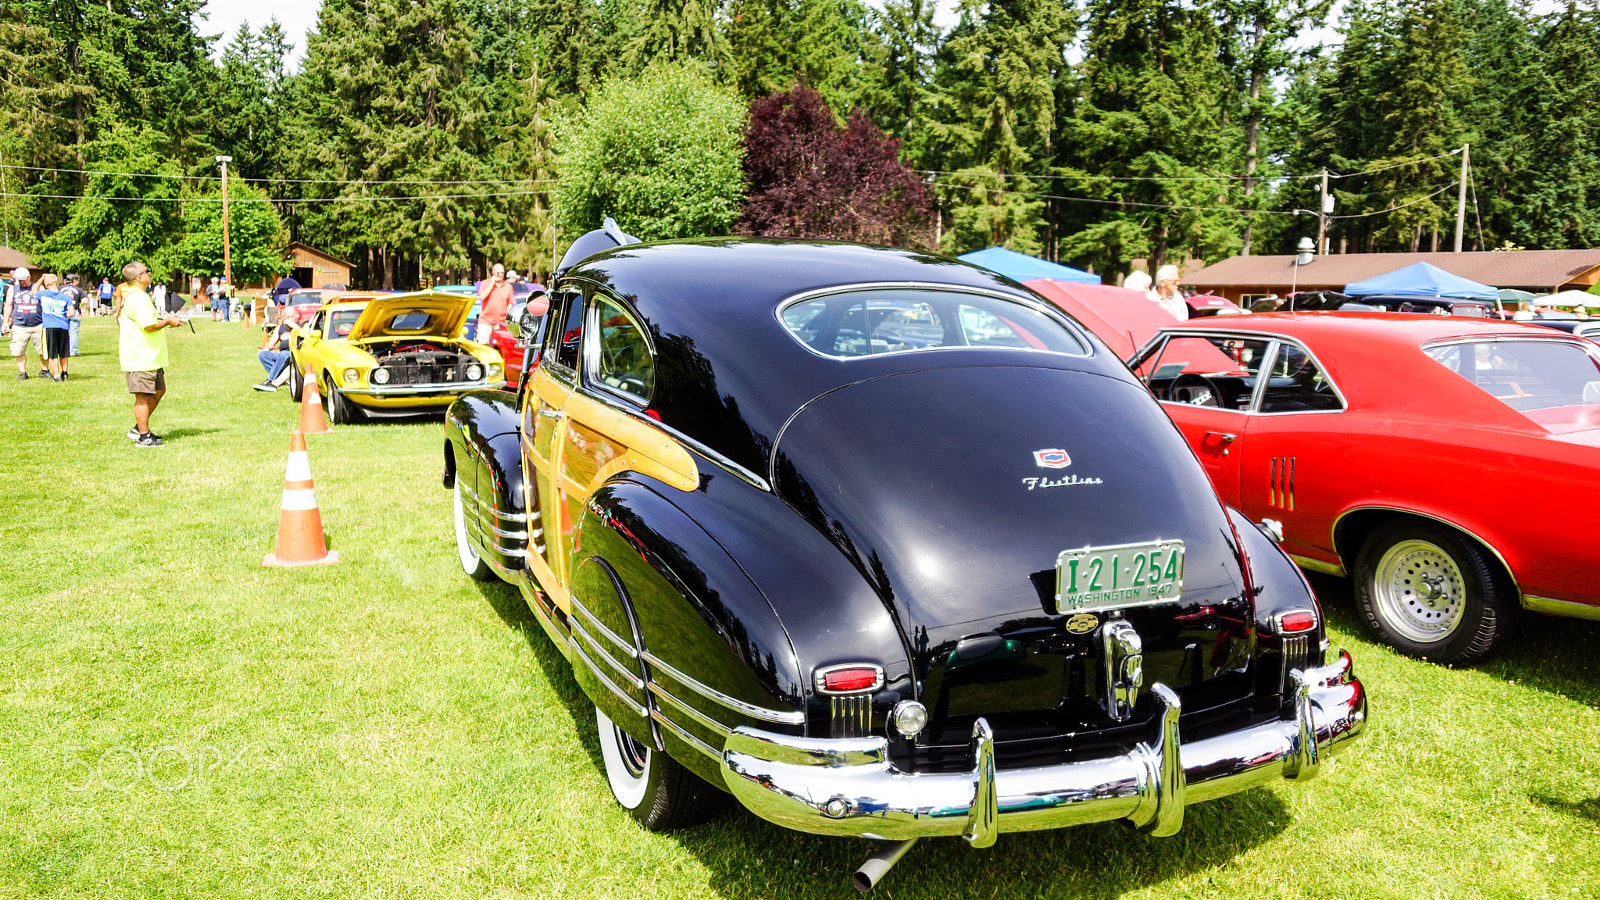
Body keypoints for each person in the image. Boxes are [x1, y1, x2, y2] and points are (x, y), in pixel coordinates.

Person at [118, 261, 184, 447]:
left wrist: (164, 320)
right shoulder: (138, 298)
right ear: (140, 277)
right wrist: (168, 322)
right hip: (140, 357)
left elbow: (147, 320)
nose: (149, 274)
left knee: (159, 391)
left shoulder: (139, 296)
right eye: (146, 271)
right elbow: (147, 326)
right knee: (142, 397)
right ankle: (144, 437)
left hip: (149, 356)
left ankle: (139, 428)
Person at [4, 267, 46, 380]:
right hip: (19, 325)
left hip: (38, 323)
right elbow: (8, 305)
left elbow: (45, 304)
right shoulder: (13, 289)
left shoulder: (38, 287)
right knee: (19, 350)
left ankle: (44, 370)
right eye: (20, 280)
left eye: (24, 279)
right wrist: (5, 322)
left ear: (29, 277)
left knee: (43, 350)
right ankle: (22, 372)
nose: (22, 282)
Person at [37, 273, 74, 381]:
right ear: (57, 283)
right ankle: (65, 373)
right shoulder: (64, 297)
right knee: (63, 352)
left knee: (52, 353)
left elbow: (33, 291)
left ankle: (56, 375)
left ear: (46, 283)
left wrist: (41, 278)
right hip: (63, 326)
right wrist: (61, 315)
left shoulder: (43, 294)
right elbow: (71, 313)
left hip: (49, 326)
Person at [253, 317, 296, 391]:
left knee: (283, 355)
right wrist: (265, 350)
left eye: (292, 317)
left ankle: (270, 381)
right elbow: (270, 344)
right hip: (282, 353)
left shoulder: (301, 326)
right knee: (262, 354)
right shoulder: (280, 328)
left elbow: (305, 334)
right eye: (288, 317)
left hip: (293, 353)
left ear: (297, 316)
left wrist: (294, 326)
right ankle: (280, 378)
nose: (290, 319)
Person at [476, 263, 513, 343]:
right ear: (493, 272)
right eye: (498, 273)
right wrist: (492, 283)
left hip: (500, 322)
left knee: (498, 346)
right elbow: (482, 296)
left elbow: (510, 303)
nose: (500, 275)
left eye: (502, 273)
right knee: (484, 345)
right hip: (485, 321)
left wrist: (505, 314)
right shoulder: (486, 283)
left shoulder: (508, 286)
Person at [62, 274, 87, 355]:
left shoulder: (59, 288)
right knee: (74, 333)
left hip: (62, 312)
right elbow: (85, 300)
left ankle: (63, 351)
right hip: (74, 311)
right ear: (74, 281)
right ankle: (73, 351)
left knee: (63, 333)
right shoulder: (79, 290)